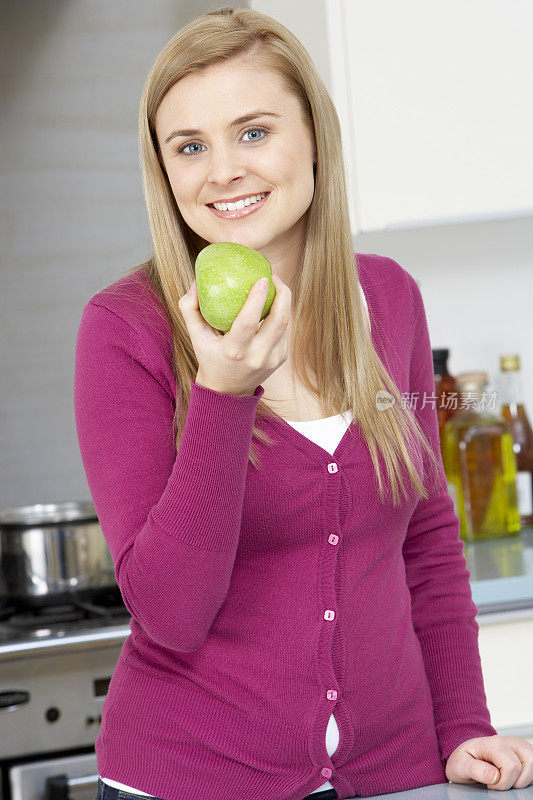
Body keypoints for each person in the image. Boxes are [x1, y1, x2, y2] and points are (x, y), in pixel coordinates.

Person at [74, 7, 533, 800]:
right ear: (165, 171)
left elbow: (425, 539)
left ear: (314, 136)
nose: (222, 171)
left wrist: (461, 728)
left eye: (252, 132)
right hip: (192, 782)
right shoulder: (125, 331)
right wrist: (222, 394)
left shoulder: (386, 298)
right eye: (190, 146)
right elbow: (171, 613)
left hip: (394, 777)